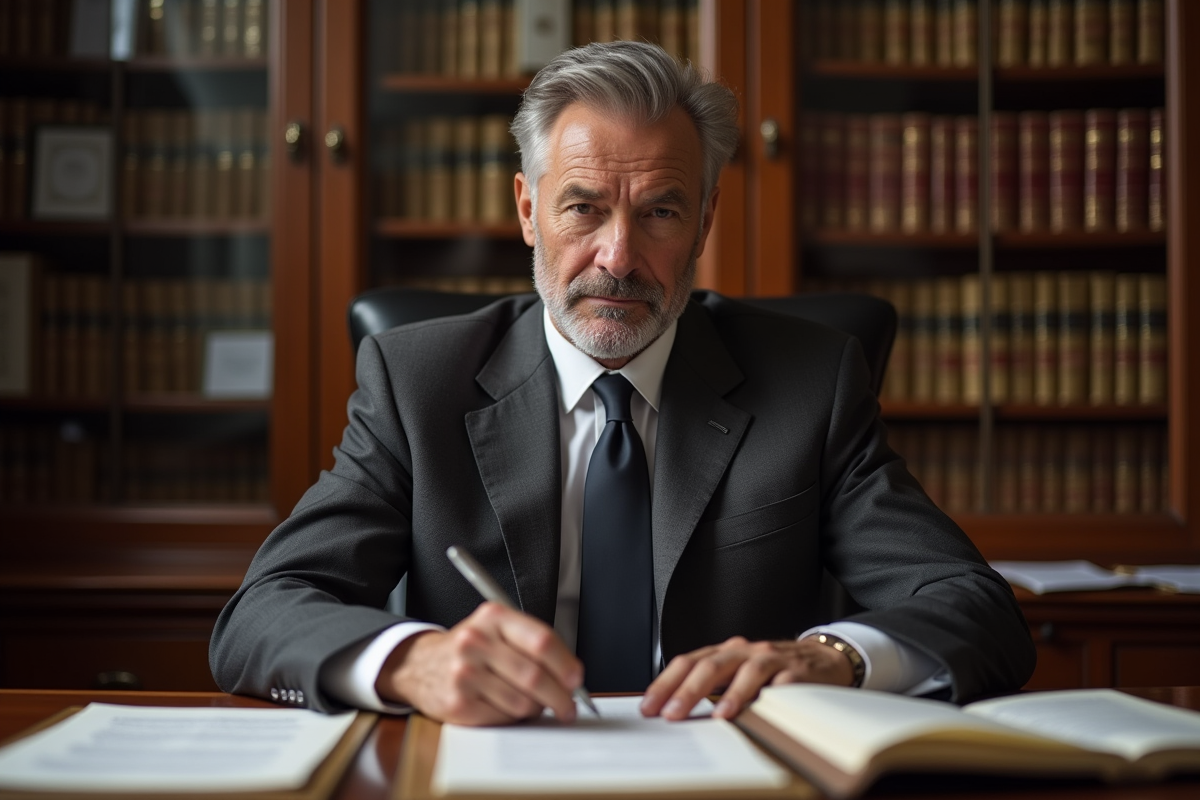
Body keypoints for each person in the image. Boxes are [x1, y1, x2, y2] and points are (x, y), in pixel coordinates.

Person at [210, 41, 1034, 726]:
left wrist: (832, 654)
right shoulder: (417, 382)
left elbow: (976, 609)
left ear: (706, 221)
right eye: (583, 209)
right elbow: (263, 611)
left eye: (661, 213)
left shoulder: (809, 385)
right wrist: (408, 661)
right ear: (529, 212)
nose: (618, 257)